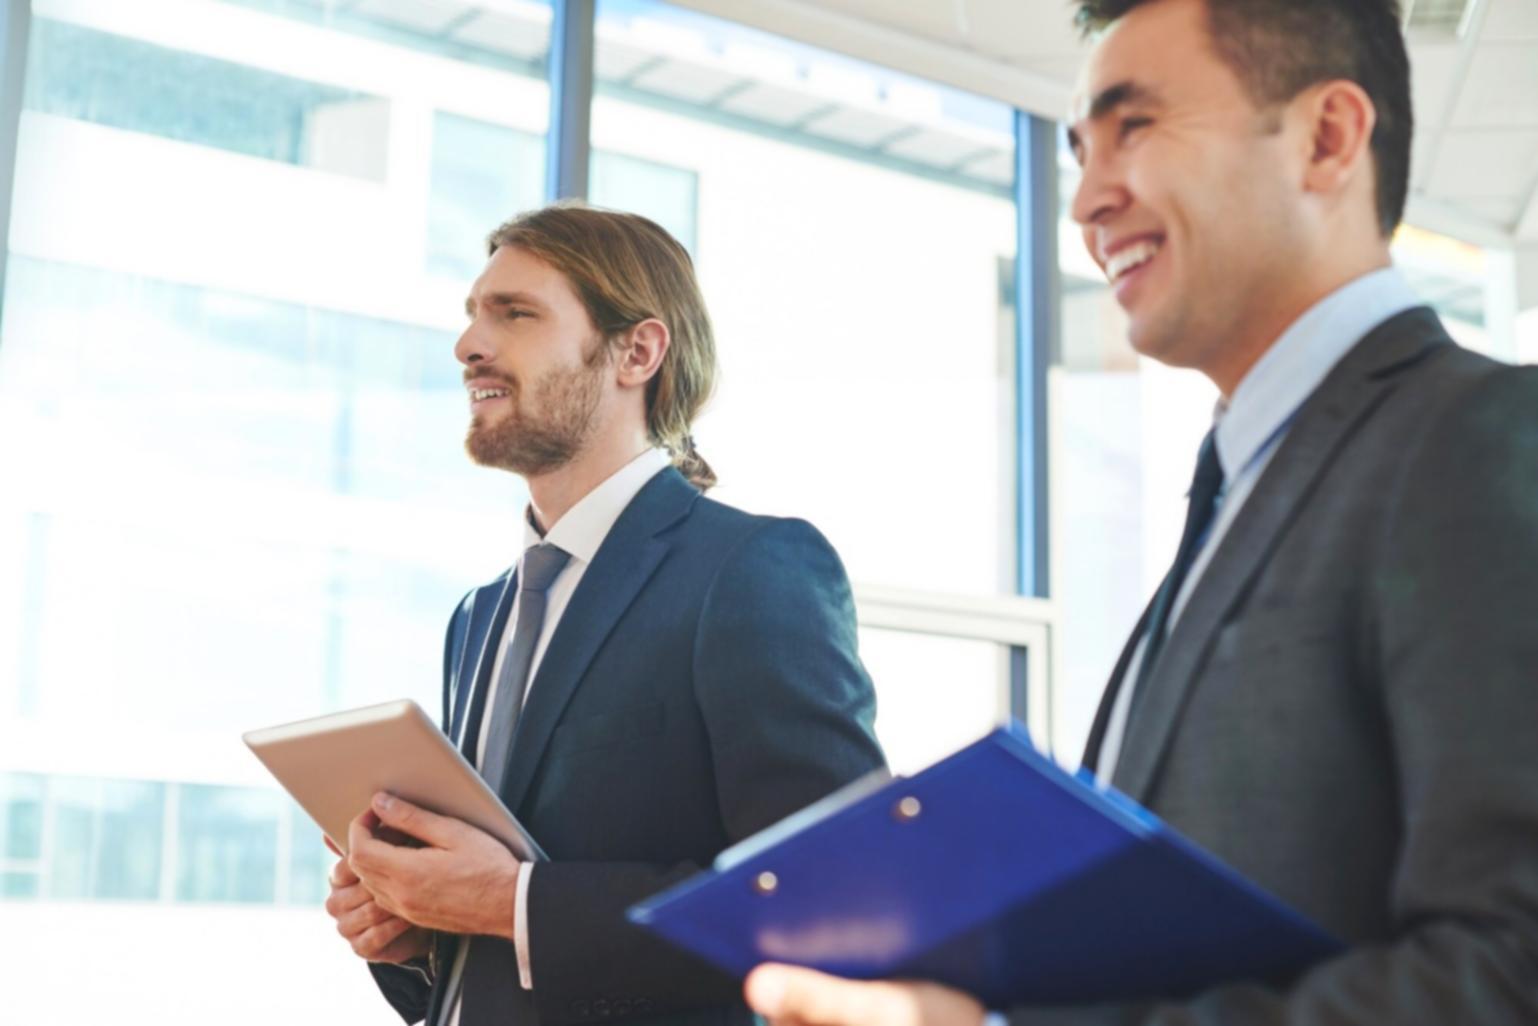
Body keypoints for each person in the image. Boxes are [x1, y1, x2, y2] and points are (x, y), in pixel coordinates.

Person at [742, 1, 1538, 1023]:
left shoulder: (1476, 438)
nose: (1083, 201)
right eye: (1076, 149)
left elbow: (1510, 973)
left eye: (1136, 126)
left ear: (1325, 138)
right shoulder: (1242, 488)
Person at [322, 203, 886, 1026]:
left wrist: (514, 903)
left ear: (637, 351)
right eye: (472, 315)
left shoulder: (749, 570)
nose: (468, 345)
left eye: (514, 313)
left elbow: (833, 895)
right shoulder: (477, 619)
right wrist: (415, 931)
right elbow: (491, 960)